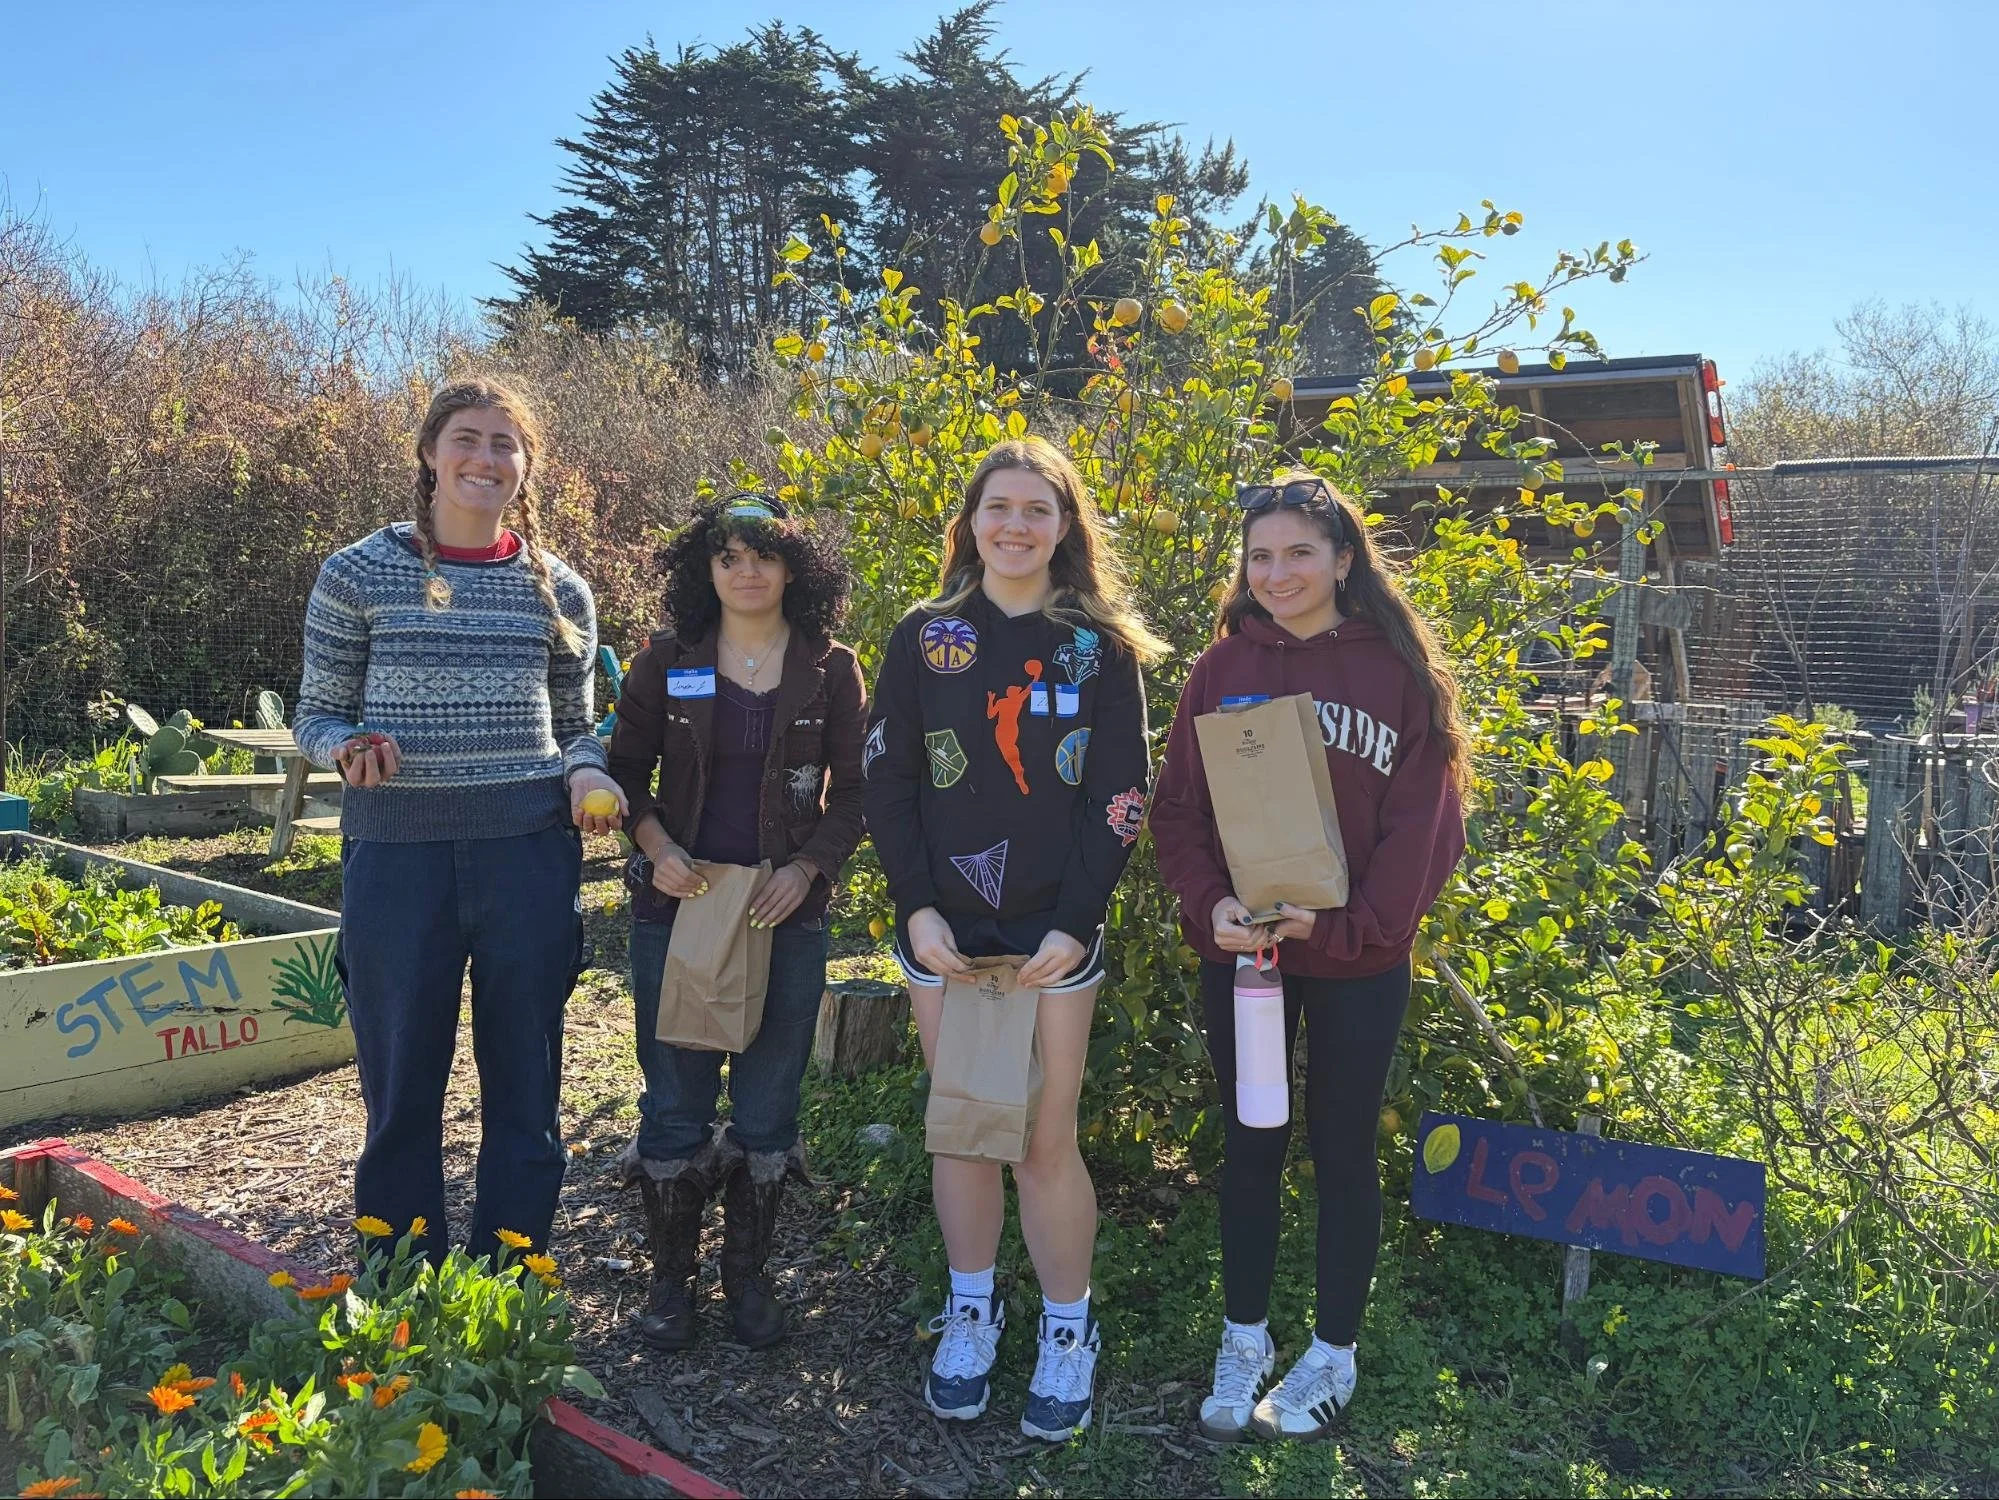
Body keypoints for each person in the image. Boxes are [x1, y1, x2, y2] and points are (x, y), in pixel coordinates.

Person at [1150, 471, 1470, 1441]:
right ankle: (1242, 1336)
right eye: (1260, 556)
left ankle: (1332, 1354)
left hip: (1357, 962)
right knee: (1249, 1143)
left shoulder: (1395, 674)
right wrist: (1213, 909)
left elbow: (1427, 828)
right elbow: (1178, 811)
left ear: (1341, 560)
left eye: (1297, 552)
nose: (1277, 572)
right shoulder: (1220, 670)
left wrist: (1340, 930)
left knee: (1340, 1150)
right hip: (1246, 963)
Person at [863, 437, 1164, 1441]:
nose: (1017, 525)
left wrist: (1077, 922)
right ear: (970, 521)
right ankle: (972, 1311)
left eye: (1039, 509)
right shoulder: (923, 637)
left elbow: (1121, 792)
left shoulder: (1100, 648)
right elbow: (887, 778)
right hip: (944, 931)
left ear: (1065, 527)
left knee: (1041, 1137)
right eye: (1000, 506)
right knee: (962, 1125)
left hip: (1052, 938)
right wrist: (914, 904)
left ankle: (1069, 1332)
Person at [294, 376, 627, 1263]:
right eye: (468, 440)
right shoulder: (357, 572)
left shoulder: (559, 591)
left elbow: (575, 730)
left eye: (505, 445)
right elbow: (316, 715)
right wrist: (345, 746)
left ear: (527, 466)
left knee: (527, 1079)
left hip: (526, 857)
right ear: (430, 453)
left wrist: (592, 776)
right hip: (397, 860)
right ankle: (400, 1282)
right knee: (401, 1087)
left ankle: (509, 1281)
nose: (486, 459)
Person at [607, 494, 865, 1350]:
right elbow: (623, 776)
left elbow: (859, 793)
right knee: (674, 1101)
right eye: (727, 555)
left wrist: (808, 867)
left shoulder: (832, 670)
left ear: (796, 567)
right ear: (703, 570)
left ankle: (747, 1283)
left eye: (763, 553)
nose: (746, 570)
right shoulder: (662, 660)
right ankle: (670, 1288)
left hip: (783, 913)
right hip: (675, 909)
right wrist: (653, 842)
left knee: (768, 1103)